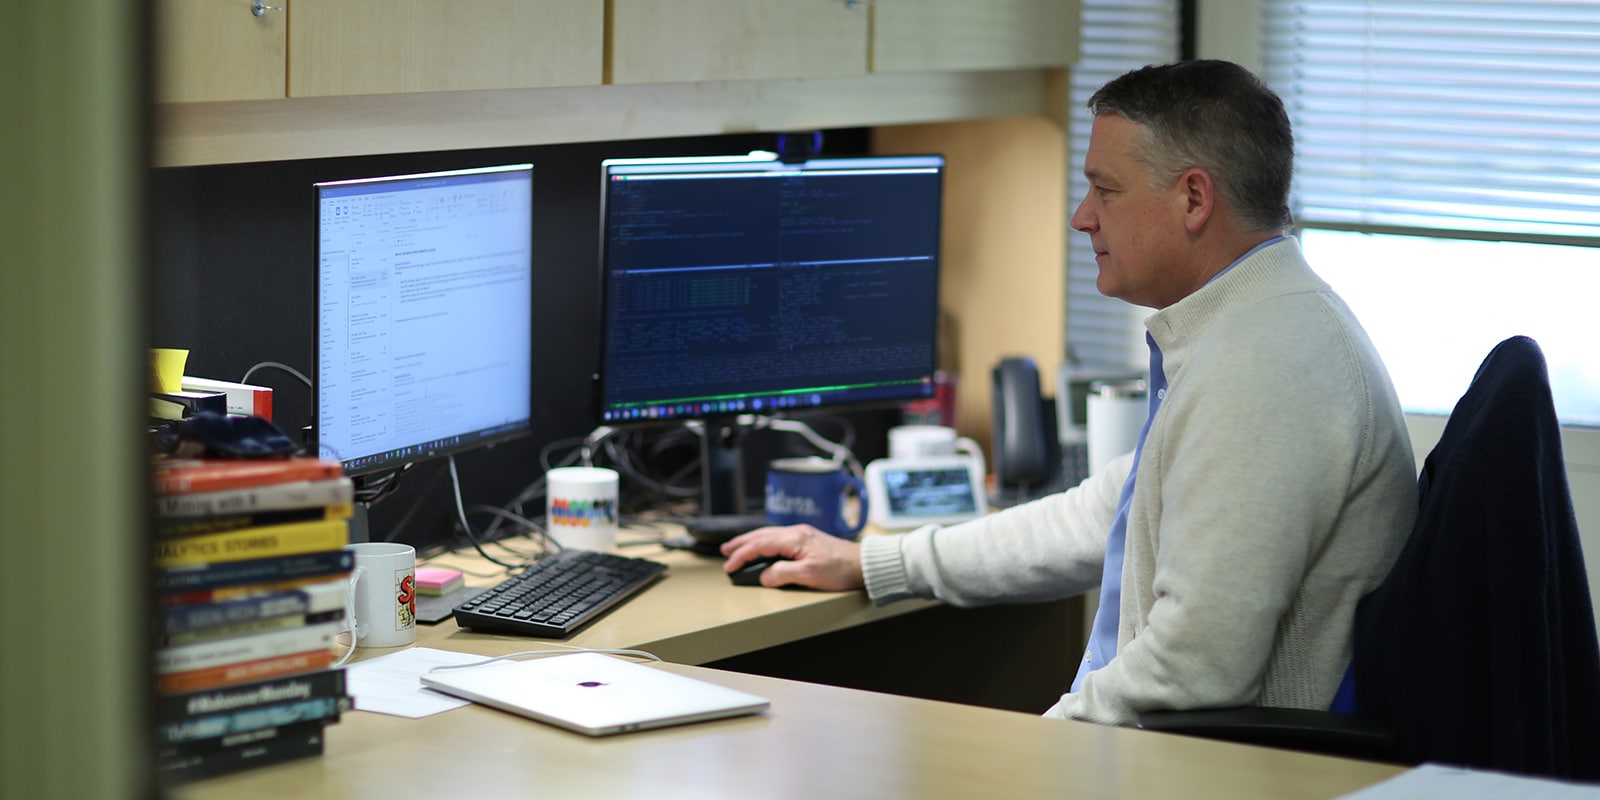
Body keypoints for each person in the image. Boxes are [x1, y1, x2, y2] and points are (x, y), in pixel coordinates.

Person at [721, 60, 1419, 726]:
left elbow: (1194, 671)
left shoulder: (1264, 367)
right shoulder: (1252, 324)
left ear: (1195, 199)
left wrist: (1041, 746)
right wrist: (879, 562)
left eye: (1106, 190)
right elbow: (1107, 515)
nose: (1082, 217)